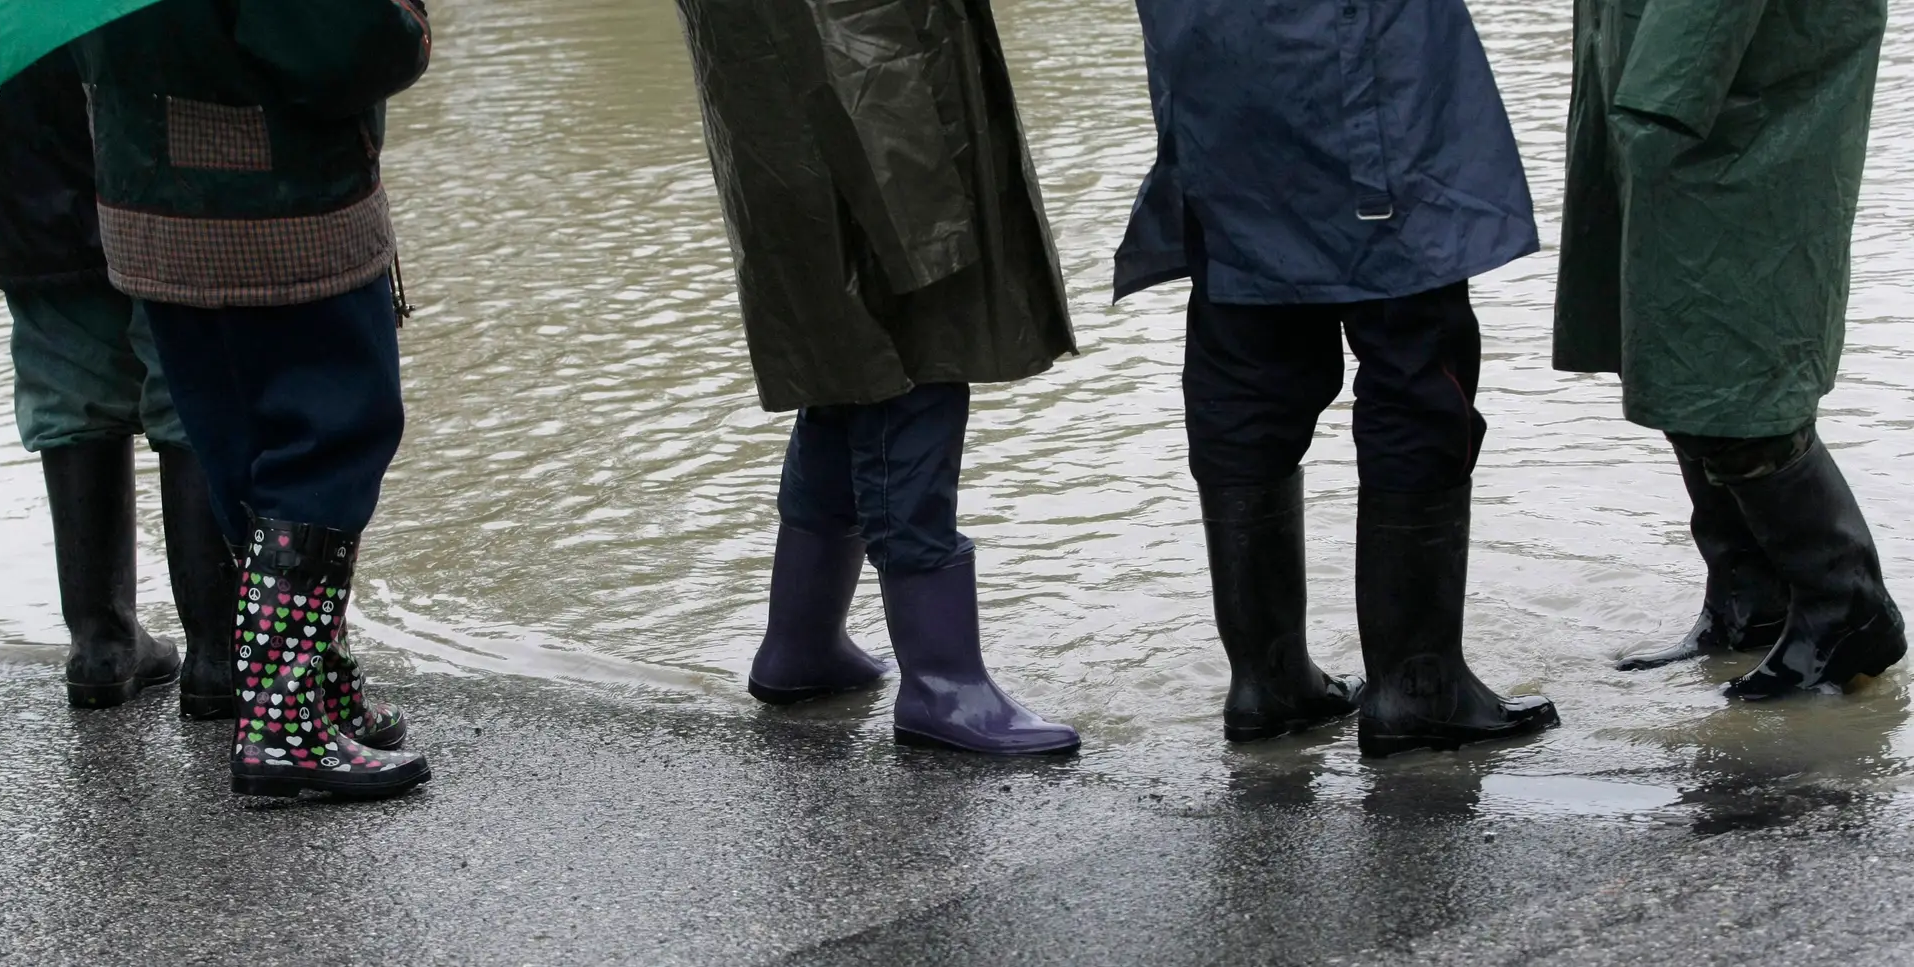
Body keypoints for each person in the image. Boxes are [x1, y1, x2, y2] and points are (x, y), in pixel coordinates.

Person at [1115, 0, 1560, 756]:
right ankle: (1417, 686)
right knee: (1415, 362)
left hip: (1214, 62)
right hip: (1351, 64)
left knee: (1246, 352)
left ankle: (1268, 679)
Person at [673, 0, 1081, 755]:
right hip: (875, 106)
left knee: (844, 367)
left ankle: (801, 643)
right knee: (914, 359)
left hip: (785, 109)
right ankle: (941, 682)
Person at [73, 0, 435, 797]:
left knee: (239, 441)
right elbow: (349, 44)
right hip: (273, 203)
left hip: (147, 197)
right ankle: (282, 723)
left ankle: (316, 685)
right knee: (329, 438)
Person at [1555, 0, 1905, 694]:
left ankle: (1847, 607)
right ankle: (1752, 604)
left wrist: (1660, 99)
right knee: (1679, 352)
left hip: (1727, 92)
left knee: (1736, 365)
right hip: (1663, 76)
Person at [0, 48, 231, 715]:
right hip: (149, 143)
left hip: (24, 159)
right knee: (189, 385)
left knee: (66, 384)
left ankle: (101, 645)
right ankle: (220, 655)